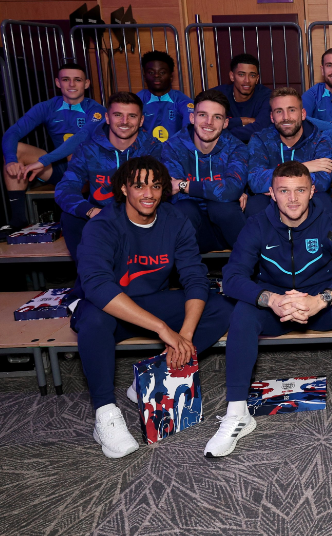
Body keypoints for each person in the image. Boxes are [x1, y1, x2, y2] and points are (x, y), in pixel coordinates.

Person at [207, 161, 332, 457]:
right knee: (242, 313)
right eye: (284, 191)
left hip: (317, 307)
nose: (292, 199)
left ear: (312, 192)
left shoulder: (327, 223)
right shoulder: (257, 225)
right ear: (271, 193)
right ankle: (237, 412)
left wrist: (320, 299)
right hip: (276, 310)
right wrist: (272, 299)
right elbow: (232, 278)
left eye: (299, 191)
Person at [72, 156, 232, 458]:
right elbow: (97, 285)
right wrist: (162, 329)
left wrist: (183, 334)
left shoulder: (174, 221)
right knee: (92, 322)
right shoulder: (103, 224)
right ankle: (105, 414)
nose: (148, 194)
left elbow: (195, 278)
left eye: (156, 186)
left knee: (222, 307)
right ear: (123, 188)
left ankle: (150, 375)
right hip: (109, 307)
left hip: (150, 302)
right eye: (139, 185)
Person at [1, 62, 105, 238]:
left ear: (86, 84)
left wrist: (43, 161)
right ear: (58, 83)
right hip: (57, 167)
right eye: (66, 79)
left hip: (86, 171)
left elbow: (79, 139)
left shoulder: (97, 110)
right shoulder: (47, 107)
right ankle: (18, 219)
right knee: (16, 149)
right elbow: (13, 132)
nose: (71, 84)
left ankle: (85, 213)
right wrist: (11, 159)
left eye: (77, 80)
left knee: (78, 151)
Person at [54, 92, 160, 261]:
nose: (124, 122)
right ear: (107, 118)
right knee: (71, 217)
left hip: (142, 217)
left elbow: (167, 189)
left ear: (141, 121)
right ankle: (89, 277)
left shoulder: (154, 149)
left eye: (131, 116)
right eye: (118, 115)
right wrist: (91, 211)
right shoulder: (88, 149)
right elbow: (65, 188)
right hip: (100, 216)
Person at [160, 89, 249, 252]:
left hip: (228, 228)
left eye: (217, 117)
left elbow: (232, 189)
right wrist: (224, 191)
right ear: (192, 118)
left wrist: (183, 185)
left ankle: (253, 269)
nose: (209, 122)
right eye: (203, 115)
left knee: (223, 208)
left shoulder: (237, 147)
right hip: (194, 229)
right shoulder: (172, 147)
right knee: (184, 208)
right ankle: (188, 273)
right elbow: (172, 192)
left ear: (225, 123)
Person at [246, 87, 332, 216]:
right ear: (272, 117)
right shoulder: (260, 140)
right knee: (255, 204)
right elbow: (255, 181)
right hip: (272, 200)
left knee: (322, 201)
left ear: (303, 114)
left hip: (305, 199)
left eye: (292, 110)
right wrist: (305, 167)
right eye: (279, 111)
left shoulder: (321, 141)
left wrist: (275, 186)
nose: (286, 117)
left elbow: (323, 182)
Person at [136, 50, 194, 143]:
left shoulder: (183, 101)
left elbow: (188, 132)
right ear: (144, 77)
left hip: (175, 153)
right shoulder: (136, 101)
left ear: (171, 76)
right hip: (144, 154)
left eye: (162, 72)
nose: (156, 75)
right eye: (151, 72)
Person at [213, 53, 272, 143]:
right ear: (232, 76)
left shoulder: (266, 96)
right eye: (241, 75)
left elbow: (261, 128)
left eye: (252, 75)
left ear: (257, 79)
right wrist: (243, 121)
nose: (247, 80)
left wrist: (222, 131)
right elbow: (208, 123)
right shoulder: (217, 95)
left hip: (257, 149)